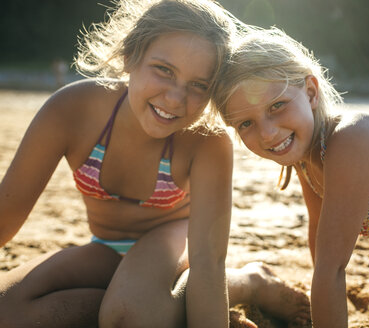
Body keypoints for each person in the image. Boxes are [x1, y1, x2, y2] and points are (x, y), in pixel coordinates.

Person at [0, 1, 310, 327]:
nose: (175, 99)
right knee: (7, 312)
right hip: (104, 250)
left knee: (131, 316)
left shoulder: (206, 139)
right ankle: (162, 304)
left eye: (198, 85)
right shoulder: (72, 110)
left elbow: (208, 263)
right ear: (129, 56)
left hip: (175, 249)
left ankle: (250, 282)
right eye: (164, 70)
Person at [212, 27, 369, 327]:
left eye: (277, 106)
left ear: (310, 91)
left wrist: (325, 293)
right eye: (246, 123)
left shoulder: (352, 140)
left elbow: (332, 270)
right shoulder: (304, 155)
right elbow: (320, 243)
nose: (267, 133)